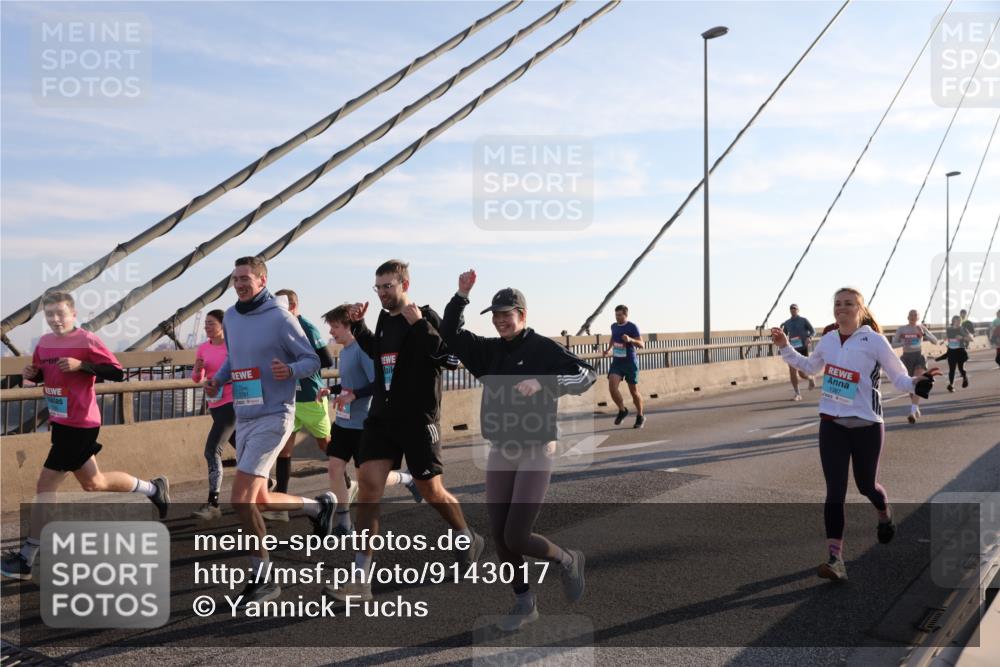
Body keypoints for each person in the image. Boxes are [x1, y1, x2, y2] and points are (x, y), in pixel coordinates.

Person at [441, 270, 596, 631]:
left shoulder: (542, 347)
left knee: (516, 535)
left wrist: (543, 383)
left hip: (536, 448)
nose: (499, 322)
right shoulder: (488, 352)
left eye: (506, 315)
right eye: (495, 317)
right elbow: (450, 334)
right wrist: (461, 295)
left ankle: (567, 559)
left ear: (522, 315)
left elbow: (586, 375)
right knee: (499, 535)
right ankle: (525, 603)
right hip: (501, 449)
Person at [330, 259, 484, 603]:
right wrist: (361, 328)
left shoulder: (425, 316)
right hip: (382, 419)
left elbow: (450, 359)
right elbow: (378, 354)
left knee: (433, 493)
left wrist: (419, 326)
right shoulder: (384, 318)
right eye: (379, 287)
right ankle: (361, 580)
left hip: (418, 420)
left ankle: (465, 535)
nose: (383, 293)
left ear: (405, 285)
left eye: (389, 286)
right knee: (369, 487)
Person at [770, 287, 939, 582]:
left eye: (848, 304)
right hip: (832, 425)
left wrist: (916, 383)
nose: (842, 308)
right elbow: (810, 367)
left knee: (866, 486)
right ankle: (835, 559)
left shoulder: (873, 340)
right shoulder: (829, 340)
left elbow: (898, 376)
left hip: (867, 425)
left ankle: (884, 513)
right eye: (837, 304)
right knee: (834, 492)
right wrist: (785, 346)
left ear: (860, 309)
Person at [1, 292, 170, 580]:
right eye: (50, 314)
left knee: (45, 486)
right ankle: (154, 489)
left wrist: (83, 366)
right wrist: (34, 373)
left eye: (60, 314)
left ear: (73, 314)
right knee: (94, 482)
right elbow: (47, 374)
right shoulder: (44, 343)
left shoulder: (87, 340)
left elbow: (116, 373)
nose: (55, 319)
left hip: (82, 422)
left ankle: (27, 558)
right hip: (61, 421)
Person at [204, 257, 335, 606]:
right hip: (244, 414)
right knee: (260, 499)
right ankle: (316, 507)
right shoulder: (230, 317)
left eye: (246, 278)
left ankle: (263, 578)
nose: (240, 284)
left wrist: (289, 369)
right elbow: (235, 357)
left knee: (240, 499)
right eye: (235, 279)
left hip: (275, 415)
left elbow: (313, 360)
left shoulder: (280, 318)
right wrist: (219, 378)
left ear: (262, 280)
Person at [319, 304, 422, 538]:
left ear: (349, 327)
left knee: (368, 479)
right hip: (344, 423)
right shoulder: (344, 352)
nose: (332, 333)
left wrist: (353, 395)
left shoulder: (362, 351)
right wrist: (332, 390)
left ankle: (407, 478)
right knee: (335, 467)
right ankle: (344, 523)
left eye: (335, 327)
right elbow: (350, 383)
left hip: (364, 425)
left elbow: (377, 384)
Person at [262, 289, 337, 522]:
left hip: (311, 398)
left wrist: (294, 366)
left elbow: (326, 360)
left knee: (326, 446)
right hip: (290, 399)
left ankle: (346, 487)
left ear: (292, 307)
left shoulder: (307, 326)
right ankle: (281, 507)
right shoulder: (279, 329)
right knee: (284, 451)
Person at [189, 309, 237, 520]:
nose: (207, 327)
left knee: (212, 451)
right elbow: (196, 378)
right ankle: (265, 483)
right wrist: (198, 369)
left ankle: (213, 503)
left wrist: (220, 381)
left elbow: (239, 373)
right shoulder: (202, 348)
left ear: (222, 325)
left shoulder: (232, 346)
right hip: (215, 405)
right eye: (205, 323)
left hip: (232, 403)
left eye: (211, 323)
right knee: (242, 447)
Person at [891, 310, 939, 424]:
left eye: (915, 315)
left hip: (919, 356)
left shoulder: (921, 328)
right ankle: (915, 406)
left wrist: (925, 334)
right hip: (906, 357)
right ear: (907, 317)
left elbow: (935, 341)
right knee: (911, 385)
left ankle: (912, 412)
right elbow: (893, 344)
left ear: (918, 317)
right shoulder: (901, 329)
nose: (913, 317)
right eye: (911, 315)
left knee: (918, 382)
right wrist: (903, 343)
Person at [602, 305, 645, 428]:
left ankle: (640, 415)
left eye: (620, 315)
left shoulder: (632, 327)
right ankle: (622, 410)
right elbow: (613, 337)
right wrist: (608, 349)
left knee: (634, 392)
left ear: (626, 315)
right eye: (616, 315)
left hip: (630, 362)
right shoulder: (614, 326)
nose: (617, 317)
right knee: (612, 387)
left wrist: (630, 339)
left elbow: (642, 344)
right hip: (617, 362)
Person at [780, 304, 816, 401]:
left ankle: (810, 378)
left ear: (798, 310)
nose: (793, 310)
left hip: (803, 348)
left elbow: (813, 331)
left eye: (794, 308)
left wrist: (809, 338)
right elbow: (784, 335)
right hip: (792, 349)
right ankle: (797, 394)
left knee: (802, 374)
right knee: (792, 372)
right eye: (791, 308)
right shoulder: (787, 323)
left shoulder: (803, 320)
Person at [943, 315, 974, 391]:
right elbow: (947, 336)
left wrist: (962, 338)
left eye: (959, 321)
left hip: (960, 351)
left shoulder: (963, 329)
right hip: (951, 351)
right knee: (952, 369)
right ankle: (951, 385)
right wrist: (945, 340)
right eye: (957, 321)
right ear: (953, 321)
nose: (958, 322)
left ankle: (965, 378)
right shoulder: (949, 329)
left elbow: (971, 339)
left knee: (961, 368)